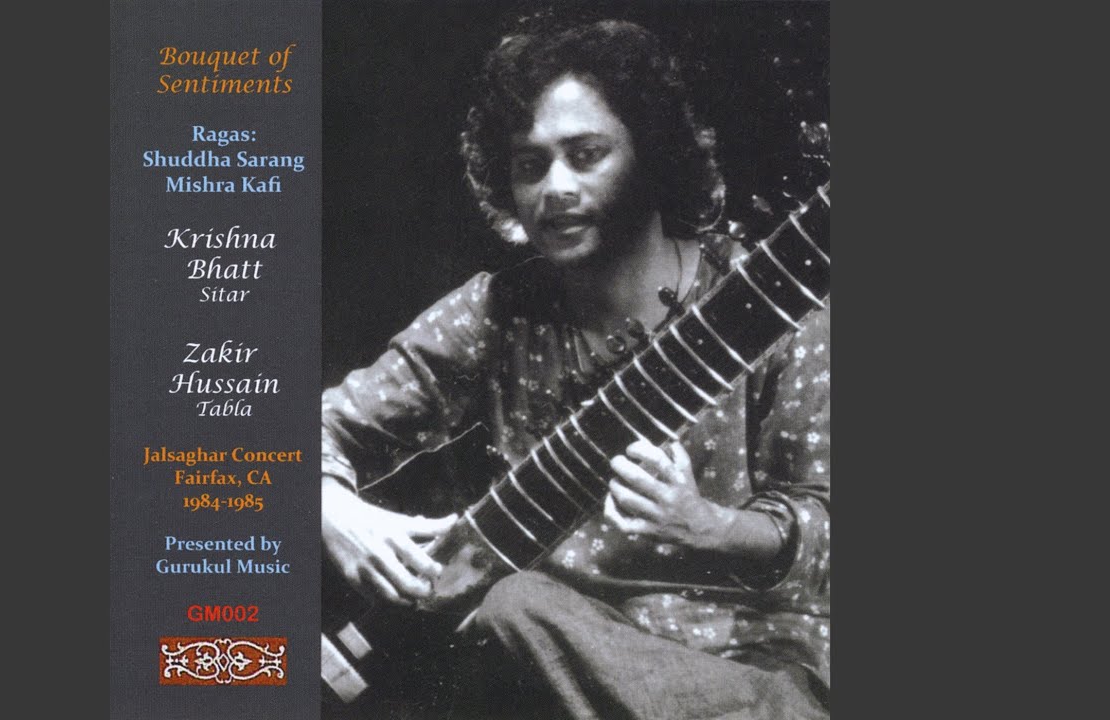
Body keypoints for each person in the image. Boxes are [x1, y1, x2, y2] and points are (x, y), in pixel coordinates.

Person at [322, 16, 829, 720]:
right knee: (512, 612)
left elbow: (827, 528)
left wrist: (712, 527)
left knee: (511, 608)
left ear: (652, 157)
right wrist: (332, 508)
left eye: (586, 155)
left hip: (741, 674)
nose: (554, 188)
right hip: (545, 662)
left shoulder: (770, 309)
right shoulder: (497, 312)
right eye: (530, 164)